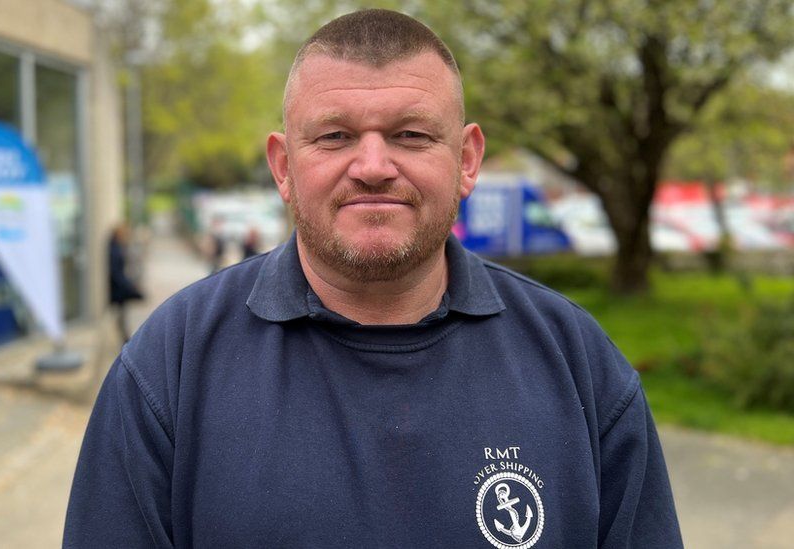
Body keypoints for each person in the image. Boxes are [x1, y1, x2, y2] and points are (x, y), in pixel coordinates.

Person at [64, 9, 682, 548]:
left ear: (466, 160)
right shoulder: (168, 369)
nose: (373, 167)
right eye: (335, 137)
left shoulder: (578, 362)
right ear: (283, 166)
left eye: (410, 136)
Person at [108, 223, 144, 343]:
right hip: (117, 288)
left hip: (119, 287)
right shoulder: (114, 249)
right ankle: (124, 339)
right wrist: (127, 285)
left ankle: (125, 338)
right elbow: (116, 271)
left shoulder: (118, 246)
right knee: (120, 315)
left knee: (123, 315)